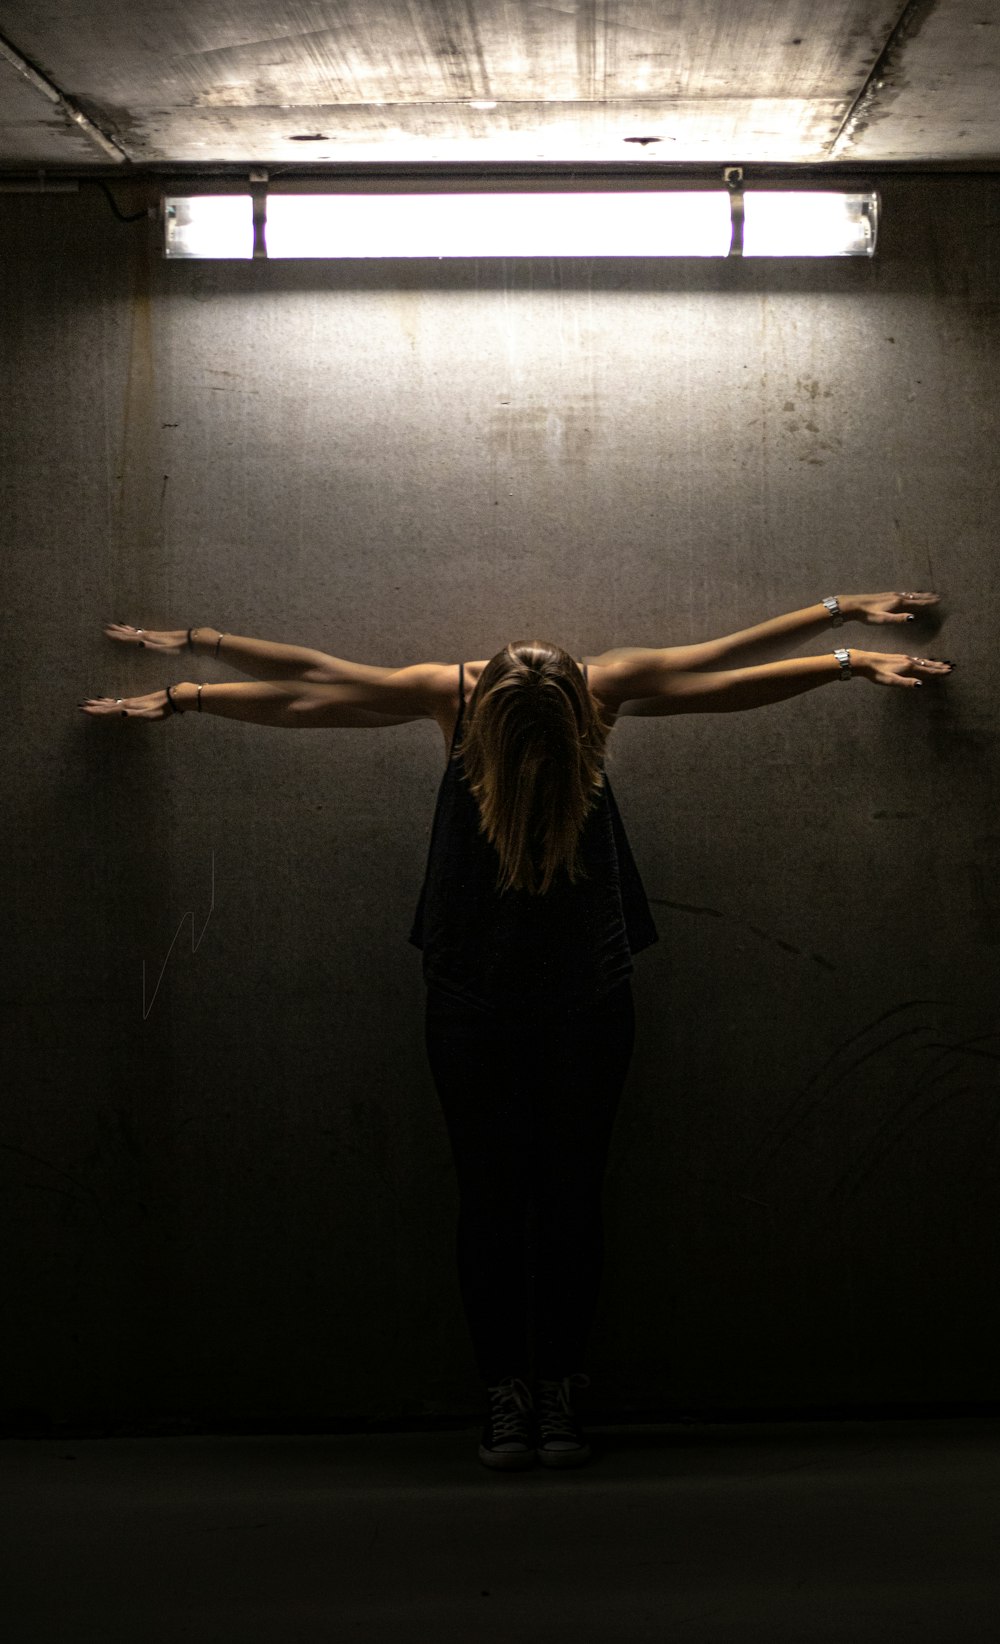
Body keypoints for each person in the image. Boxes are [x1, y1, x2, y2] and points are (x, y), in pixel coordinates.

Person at [80, 592, 955, 1471]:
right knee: (492, 1200)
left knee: (570, 1198)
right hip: (473, 995)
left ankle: (559, 1387)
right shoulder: (461, 693)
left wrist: (846, 642)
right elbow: (315, 686)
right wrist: (194, 678)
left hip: (587, 993)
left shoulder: (591, 692)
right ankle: (507, 1392)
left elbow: (720, 671)